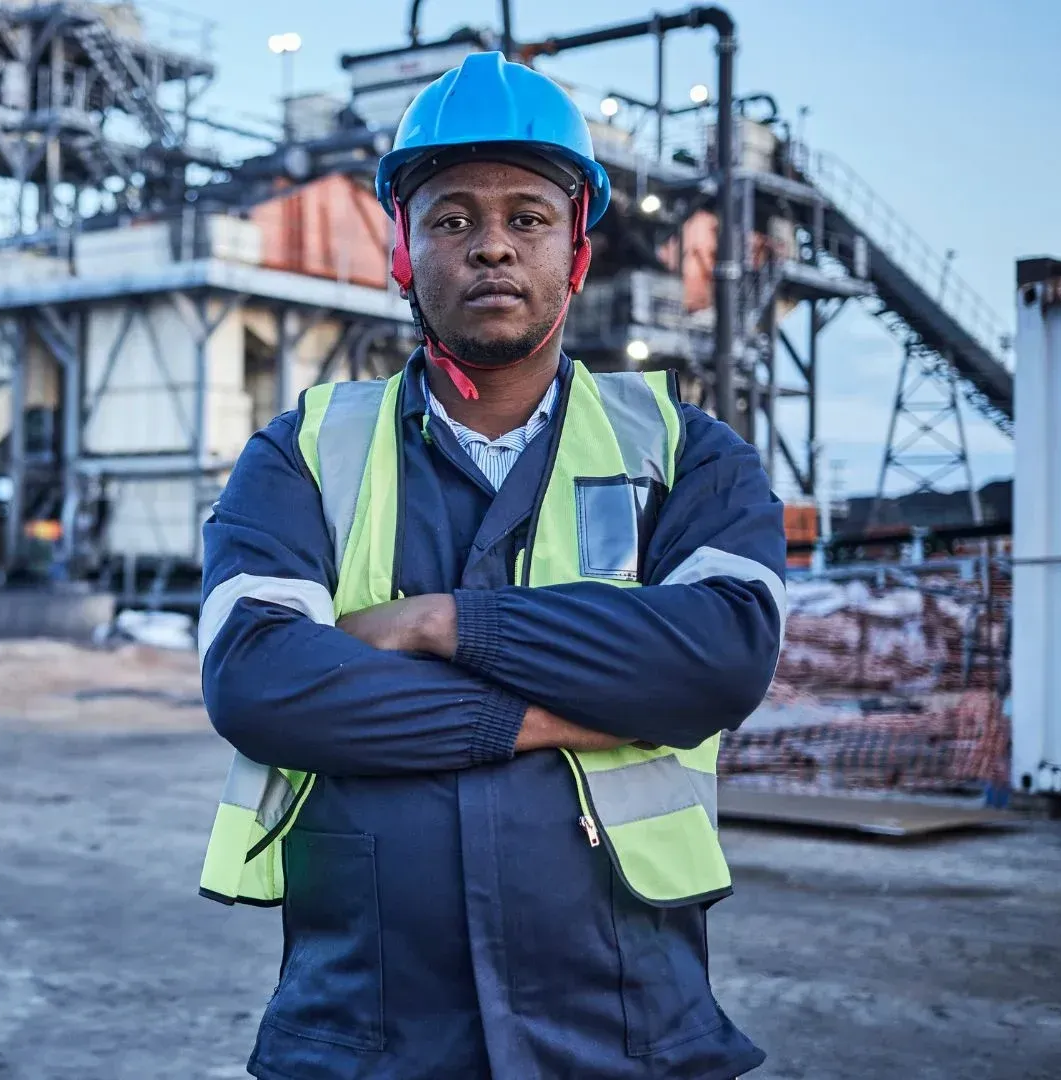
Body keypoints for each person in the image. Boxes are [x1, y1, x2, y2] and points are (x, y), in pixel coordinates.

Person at [195, 53, 784, 1079]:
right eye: (454, 220)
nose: (493, 248)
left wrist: (440, 625)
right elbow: (258, 681)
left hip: (625, 1031)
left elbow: (719, 664)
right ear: (403, 254)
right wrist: (549, 714)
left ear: (579, 252)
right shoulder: (305, 451)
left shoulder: (684, 451)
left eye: (528, 218)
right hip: (367, 1031)